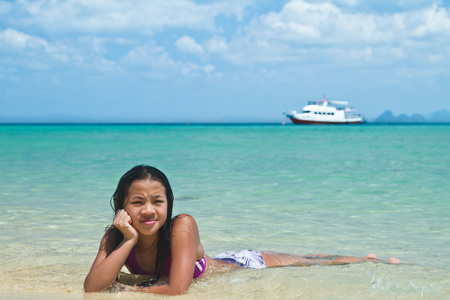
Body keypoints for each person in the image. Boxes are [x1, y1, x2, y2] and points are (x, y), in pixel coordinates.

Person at [84, 165, 400, 295]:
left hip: (241, 263)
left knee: (307, 261)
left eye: (157, 200)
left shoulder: (182, 226)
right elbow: (92, 287)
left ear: (169, 203)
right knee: (304, 258)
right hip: (218, 262)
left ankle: (368, 260)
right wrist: (128, 239)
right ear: (123, 207)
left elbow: (178, 290)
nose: (149, 210)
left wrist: (130, 292)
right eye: (137, 202)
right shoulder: (116, 235)